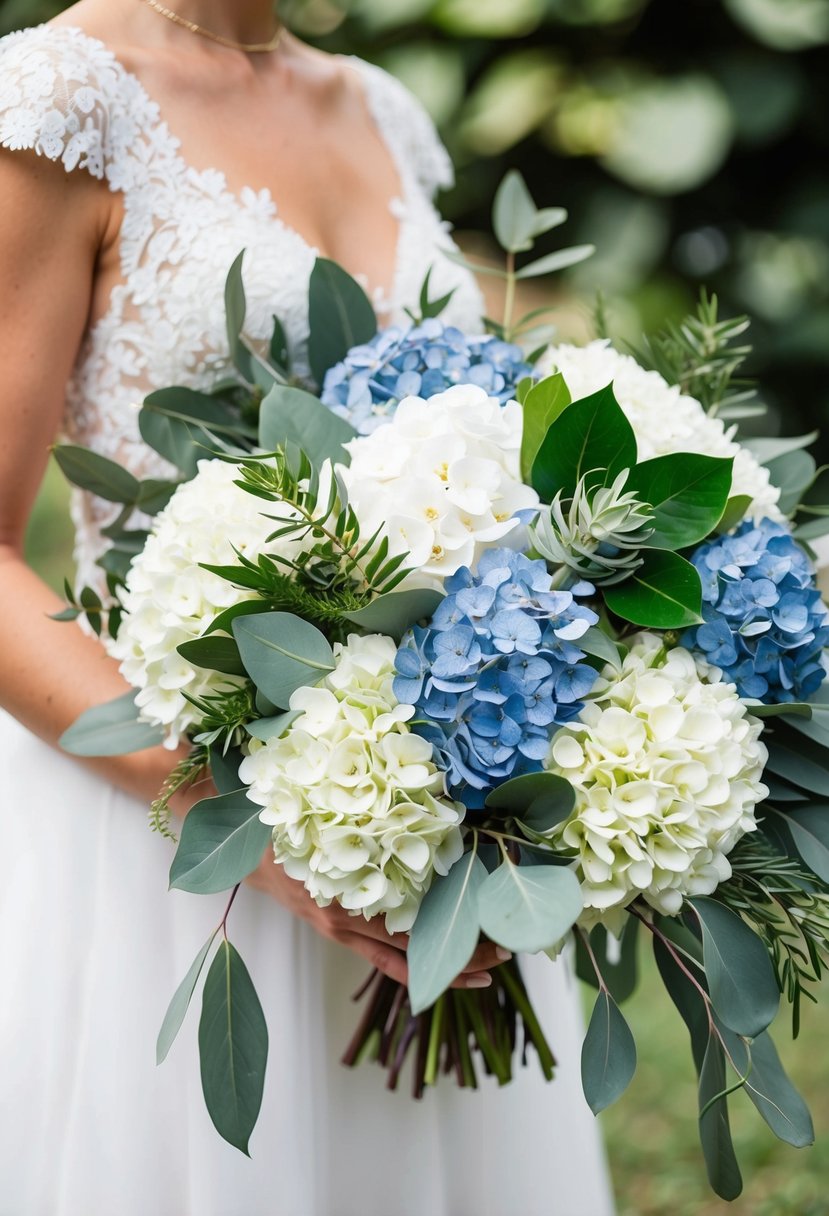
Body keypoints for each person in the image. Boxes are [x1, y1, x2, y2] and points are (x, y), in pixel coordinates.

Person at [0, 2, 616, 1212]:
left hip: (436, 836)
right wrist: (271, 828)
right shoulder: (56, 102)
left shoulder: (378, 104)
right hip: (179, 837)